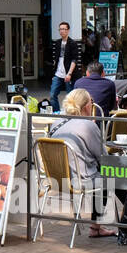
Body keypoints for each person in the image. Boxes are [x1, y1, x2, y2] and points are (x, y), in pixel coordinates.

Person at [49, 89, 115, 238]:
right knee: (108, 178)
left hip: (55, 180)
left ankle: (99, 227)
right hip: (80, 180)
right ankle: (97, 226)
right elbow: (103, 157)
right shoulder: (87, 126)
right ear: (87, 107)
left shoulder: (55, 123)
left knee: (101, 175)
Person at [50, 21, 80, 111]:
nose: (62, 31)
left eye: (64, 29)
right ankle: (57, 113)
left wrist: (69, 73)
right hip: (58, 73)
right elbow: (56, 58)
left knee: (70, 96)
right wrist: (54, 73)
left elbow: (74, 60)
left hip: (69, 73)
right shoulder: (58, 43)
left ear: (68, 30)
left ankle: (70, 114)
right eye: (60, 29)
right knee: (52, 95)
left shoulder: (73, 43)